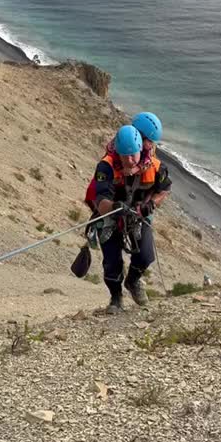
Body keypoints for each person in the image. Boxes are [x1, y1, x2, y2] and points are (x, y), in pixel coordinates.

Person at [92, 124, 172, 314]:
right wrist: (114, 207)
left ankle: (133, 280)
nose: (129, 160)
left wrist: (151, 204)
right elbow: (100, 199)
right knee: (112, 261)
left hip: (138, 215)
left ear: (140, 149)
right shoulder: (106, 167)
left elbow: (164, 190)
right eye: (124, 155)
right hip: (112, 216)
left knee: (144, 255)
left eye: (133, 155)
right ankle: (116, 298)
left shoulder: (155, 166)